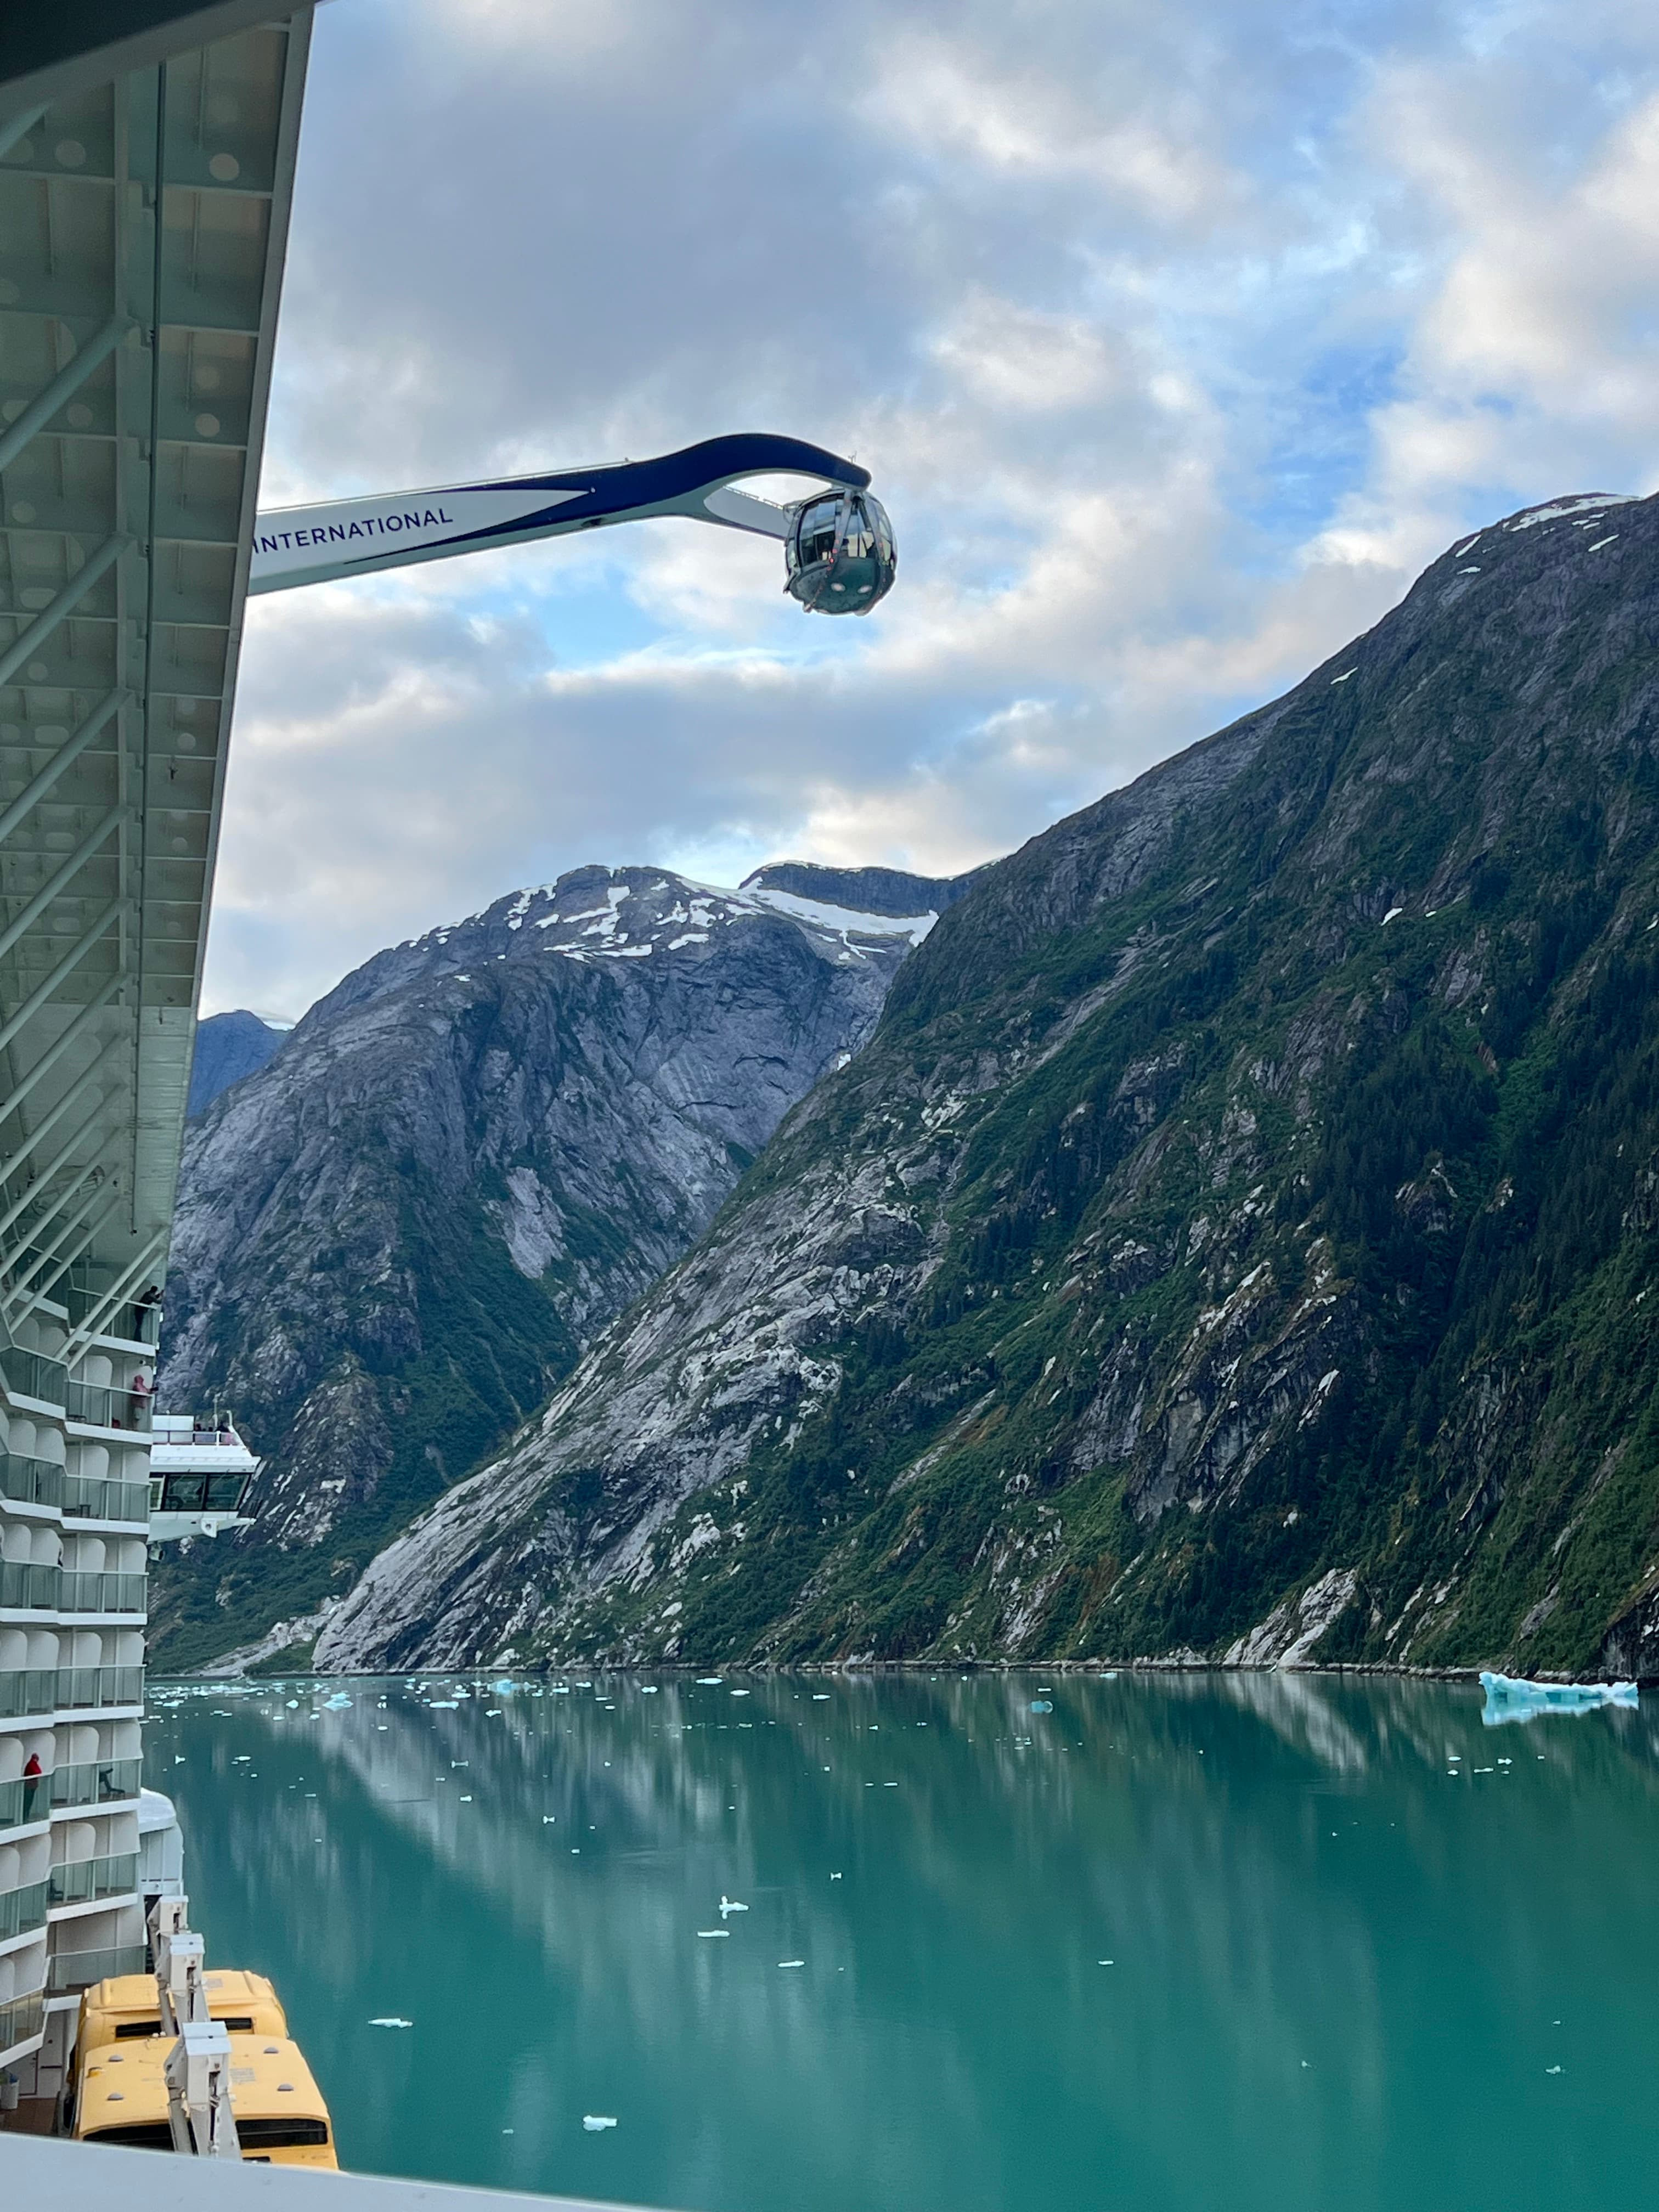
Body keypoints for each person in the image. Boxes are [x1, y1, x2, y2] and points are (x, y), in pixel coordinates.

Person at [21, 1750, 43, 1822]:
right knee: (27, 1802)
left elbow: (39, 1772)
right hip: (29, 1786)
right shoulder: (31, 1764)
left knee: (30, 1801)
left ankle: (27, 1816)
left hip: (32, 1786)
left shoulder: (34, 1764)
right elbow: (36, 1772)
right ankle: (25, 1817)